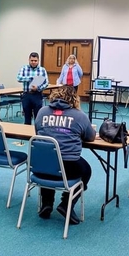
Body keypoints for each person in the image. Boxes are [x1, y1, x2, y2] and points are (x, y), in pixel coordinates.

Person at [34, 86, 96, 225]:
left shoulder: (42, 111)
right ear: (74, 99)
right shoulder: (79, 115)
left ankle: (47, 204)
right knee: (86, 171)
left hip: (41, 164)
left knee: (49, 164)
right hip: (68, 165)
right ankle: (66, 203)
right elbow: (90, 137)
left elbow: (37, 131)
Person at [17, 52, 49, 125]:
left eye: (35, 61)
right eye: (32, 60)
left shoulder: (42, 70)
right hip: (26, 95)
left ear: (38, 60)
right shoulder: (24, 68)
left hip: (37, 95)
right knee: (27, 117)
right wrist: (31, 78)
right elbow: (19, 78)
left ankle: (37, 135)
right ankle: (26, 135)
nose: (33, 62)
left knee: (38, 117)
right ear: (29, 60)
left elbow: (46, 82)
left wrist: (38, 88)